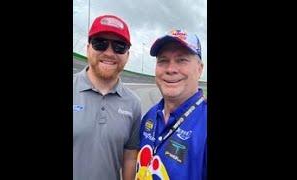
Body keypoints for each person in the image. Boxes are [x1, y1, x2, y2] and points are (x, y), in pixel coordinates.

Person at [73, 14, 141, 180]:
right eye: (100, 43)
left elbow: (130, 157)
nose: (109, 53)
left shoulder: (133, 104)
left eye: (119, 46)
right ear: (88, 48)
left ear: (127, 55)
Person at [135, 29, 207, 180]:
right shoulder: (150, 115)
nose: (170, 69)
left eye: (181, 60)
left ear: (200, 68)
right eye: (163, 60)